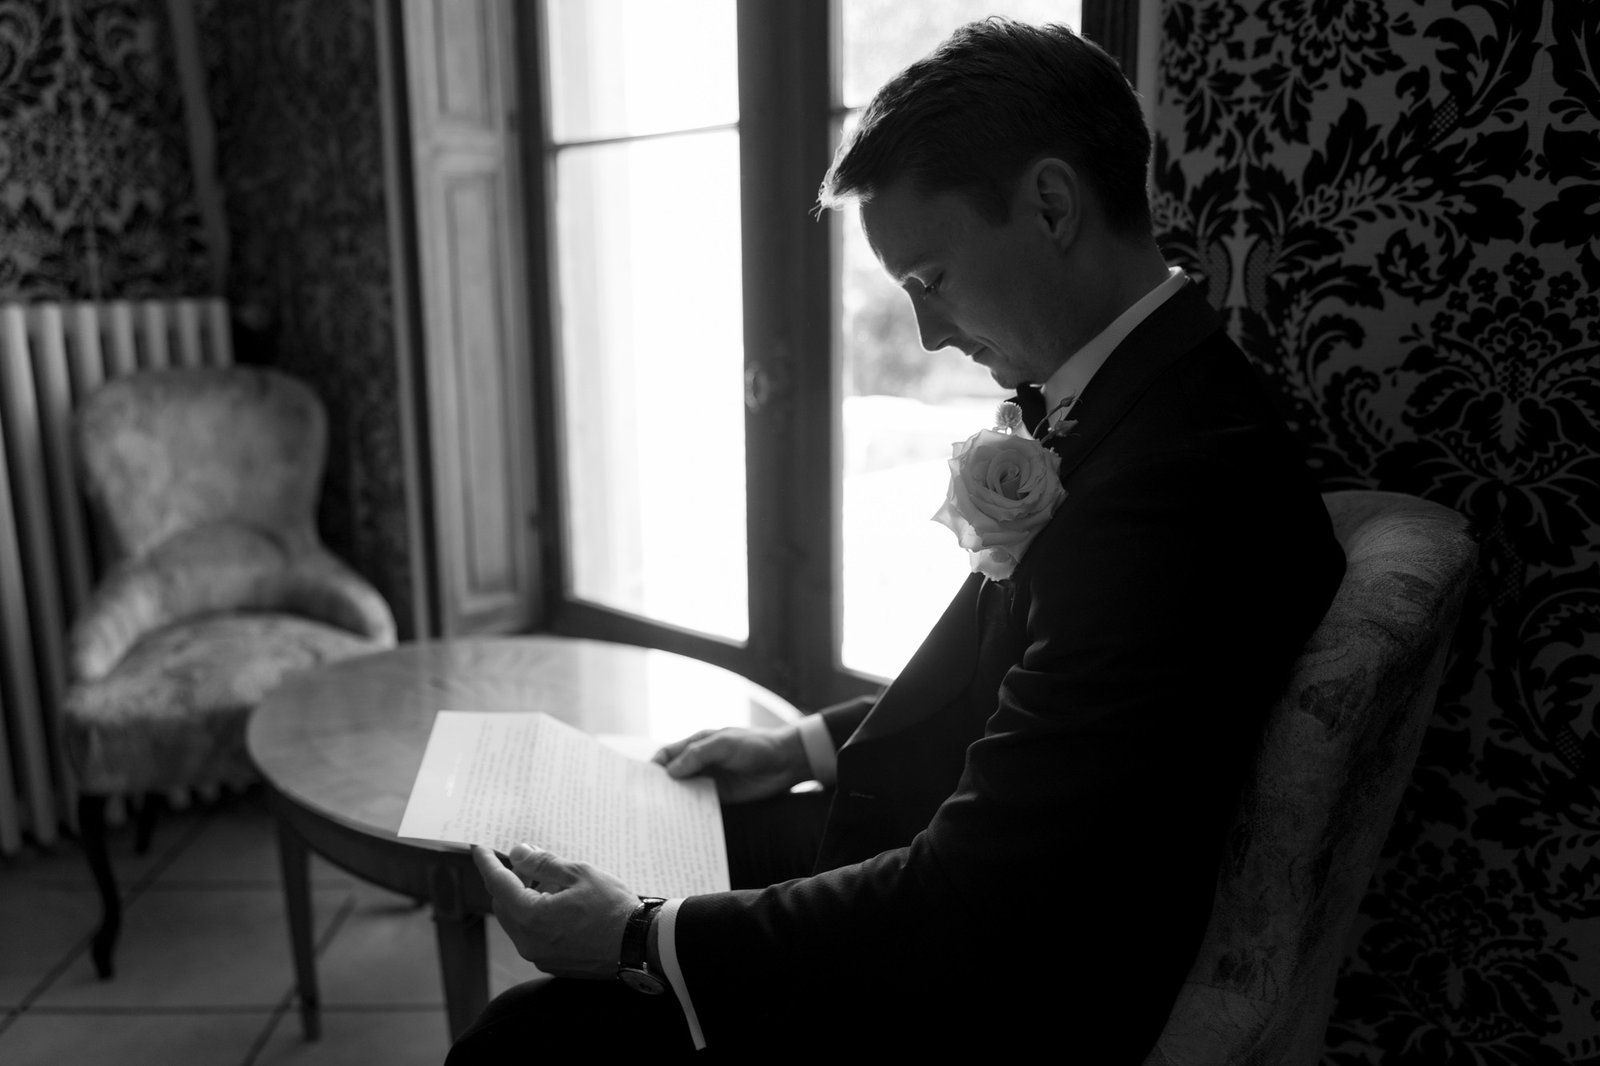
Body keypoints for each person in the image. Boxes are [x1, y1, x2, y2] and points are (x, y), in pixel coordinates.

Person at [448, 17, 1345, 1063]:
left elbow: (980, 898)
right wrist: (797, 746)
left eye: (930, 278)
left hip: (1002, 988)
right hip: (957, 857)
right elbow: (1024, 676)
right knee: (666, 825)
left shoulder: (1173, 485)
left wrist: (639, 937)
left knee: (521, 1041)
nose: (927, 333)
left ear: (1052, 205)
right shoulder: (1147, 401)